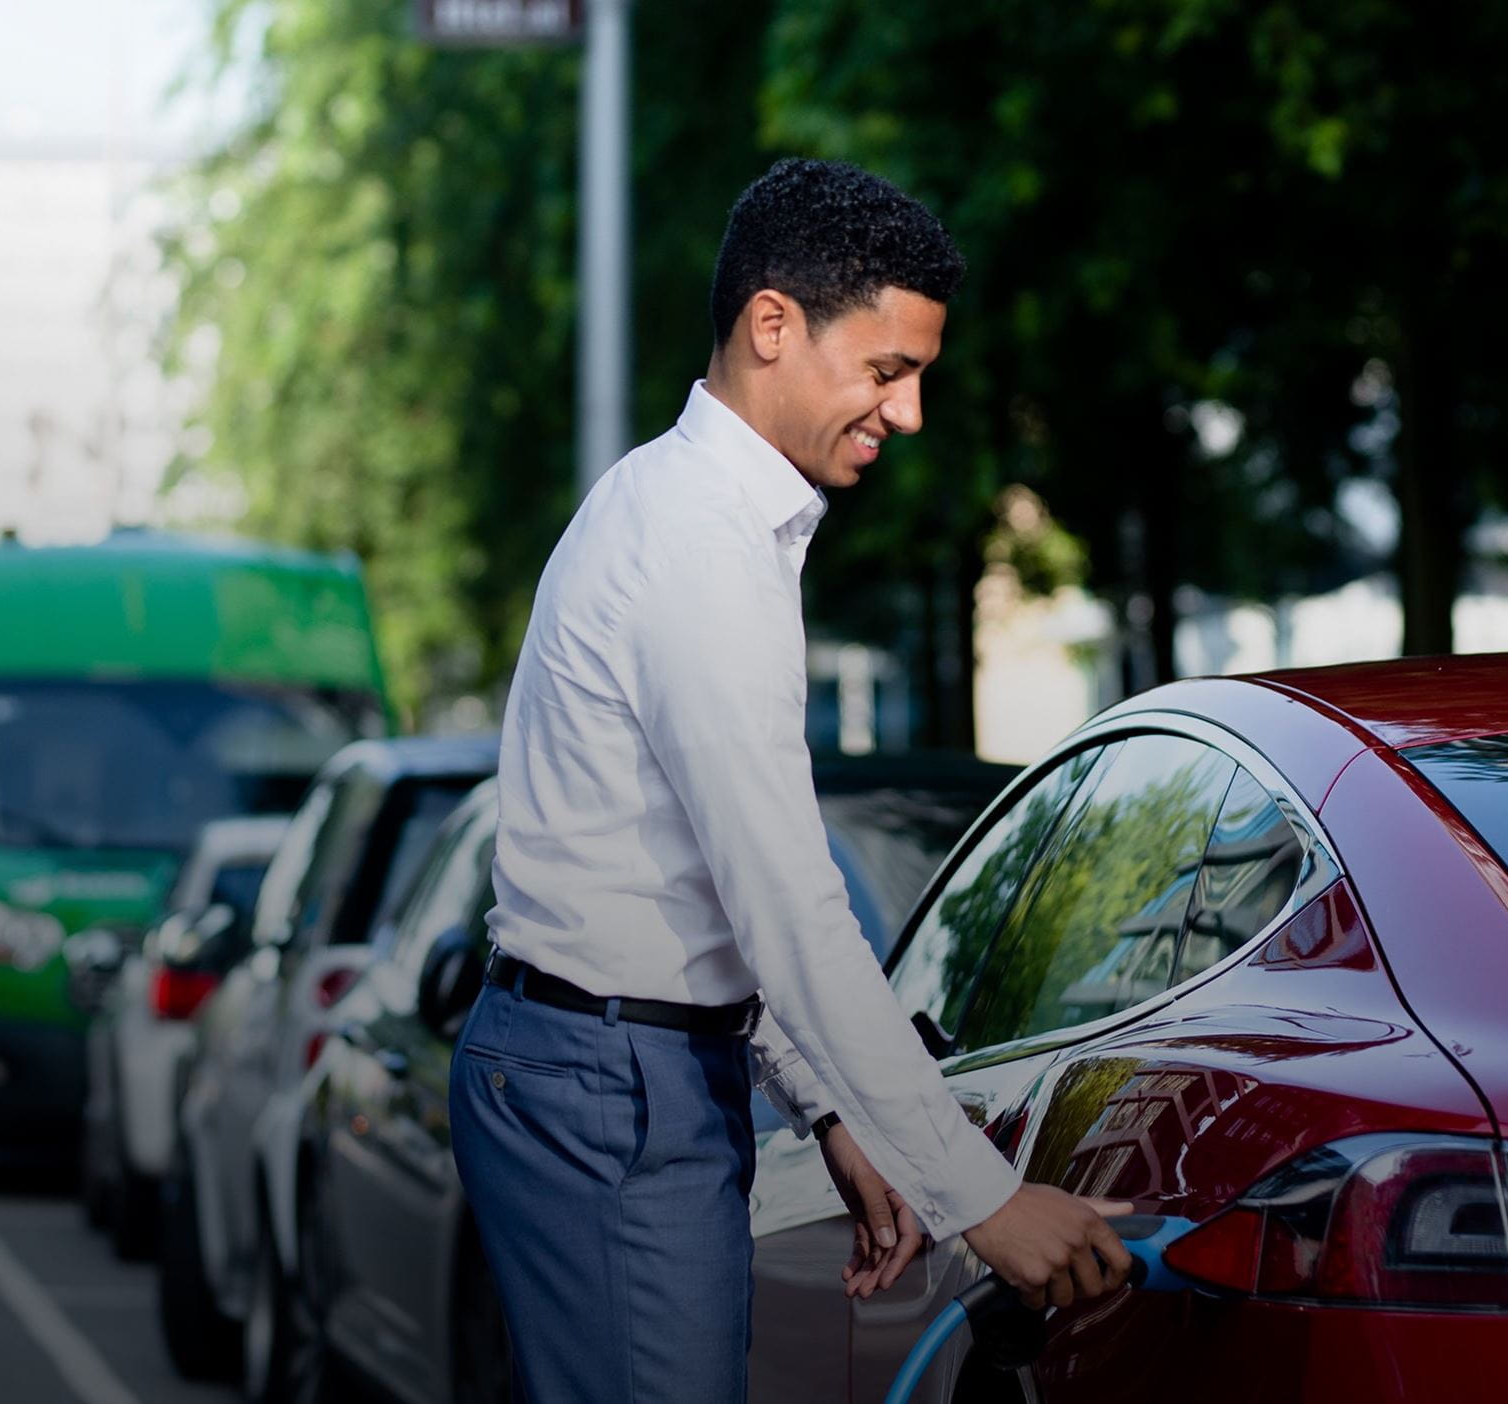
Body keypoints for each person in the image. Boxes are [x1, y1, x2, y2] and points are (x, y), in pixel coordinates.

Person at [451, 159, 1131, 1404]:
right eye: (889, 370)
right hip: (612, 1090)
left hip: (629, 1071)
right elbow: (784, 905)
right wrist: (978, 1200)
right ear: (775, 327)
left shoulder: (707, 520)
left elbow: (707, 892)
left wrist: (831, 1108)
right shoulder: (696, 547)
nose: (910, 412)